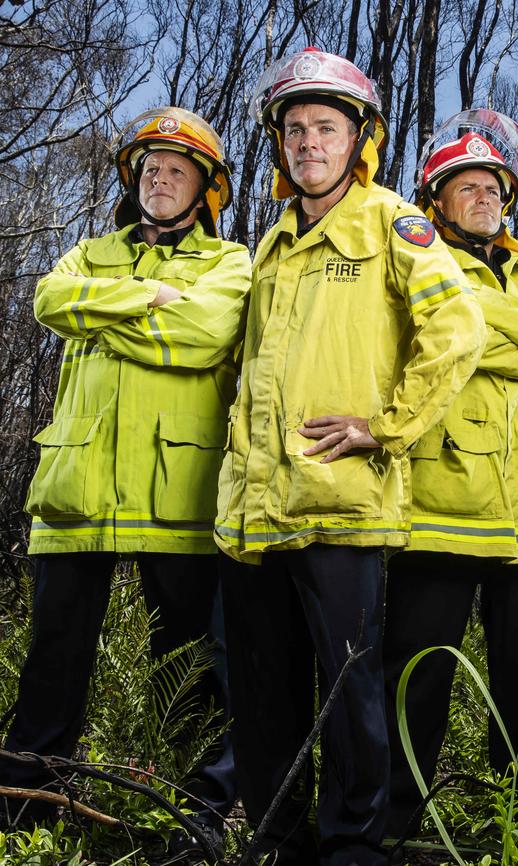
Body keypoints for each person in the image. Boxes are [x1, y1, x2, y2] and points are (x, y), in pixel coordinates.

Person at [213, 48, 486, 866]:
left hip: (341, 503)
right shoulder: (268, 244)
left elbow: (458, 328)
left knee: (348, 693)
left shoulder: (394, 222)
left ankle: (354, 850)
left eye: (325, 128)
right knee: (264, 695)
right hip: (254, 510)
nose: (307, 143)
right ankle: (277, 842)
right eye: (294, 130)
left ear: (357, 137)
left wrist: (387, 425)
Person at [0, 107, 251, 857]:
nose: (160, 177)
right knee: (53, 661)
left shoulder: (228, 265)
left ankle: (189, 811)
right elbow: (50, 300)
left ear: (206, 187)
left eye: (177, 168)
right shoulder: (86, 252)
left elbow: (206, 333)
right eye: (149, 167)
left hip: (179, 492)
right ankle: (25, 805)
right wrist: (146, 299)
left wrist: (100, 313)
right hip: (75, 490)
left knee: (188, 669)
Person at [383, 109, 518, 857]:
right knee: (417, 674)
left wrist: (479, 318)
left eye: (493, 187)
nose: (483, 198)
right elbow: (439, 345)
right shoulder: (413, 266)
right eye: (466, 186)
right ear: (435, 198)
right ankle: (394, 818)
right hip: (440, 498)